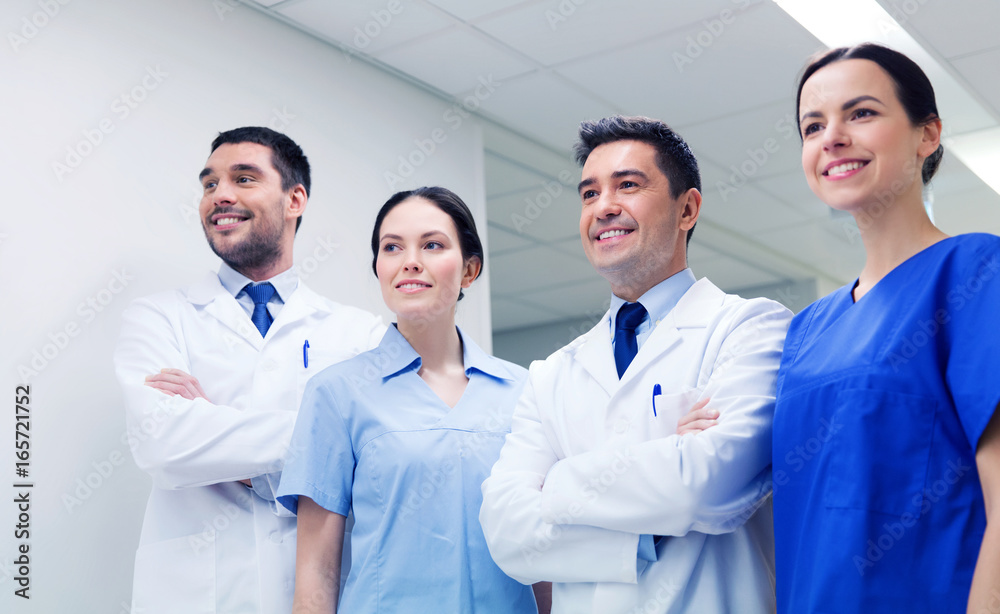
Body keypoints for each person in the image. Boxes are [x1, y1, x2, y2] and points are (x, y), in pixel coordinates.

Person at [479, 115, 792, 612]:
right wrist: (650, 515)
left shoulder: (751, 328)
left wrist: (557, 481)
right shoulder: (551, 374)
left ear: (687, 208)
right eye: (588, 194)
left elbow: (709, 485)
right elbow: (508, 535)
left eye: (628, 185)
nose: (603, 207)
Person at [114, 126, 384, 614]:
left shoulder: (360, 333)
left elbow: (376, 462)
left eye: (243, 178)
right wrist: (325, 441)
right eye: (209, 183)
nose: (220, 196)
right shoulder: (157, 317)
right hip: (194, 594)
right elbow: (162, 442)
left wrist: (216, 431)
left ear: (295, 198)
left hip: (322, 592)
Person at [771, 43, 1000, 613]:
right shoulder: (806, 330)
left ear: (927, 135)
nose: (833, 137)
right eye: (813, 126)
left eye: (862, 113)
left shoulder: (974, 273)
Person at [276, 187, 550, 613]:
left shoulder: (526, 391)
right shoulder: (337, 393)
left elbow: (543, 556)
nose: (410, 260)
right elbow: (316, 570)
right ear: (380, 268)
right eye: (392, 247)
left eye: (433, 245)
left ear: (469, 270)